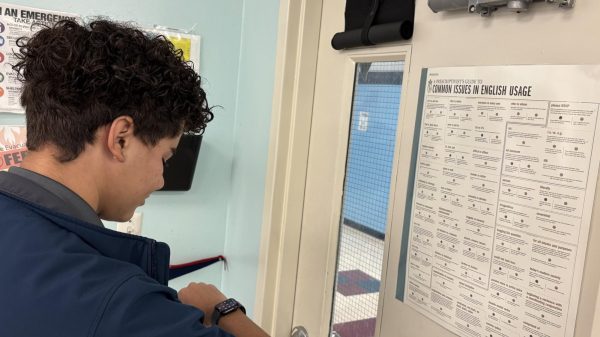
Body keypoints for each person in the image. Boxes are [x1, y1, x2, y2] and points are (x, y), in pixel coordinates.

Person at [0, 19, 270, 337]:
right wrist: (224, 309)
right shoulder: (117, 304)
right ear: (121, 139)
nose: (159, 180)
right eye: (164, 158)